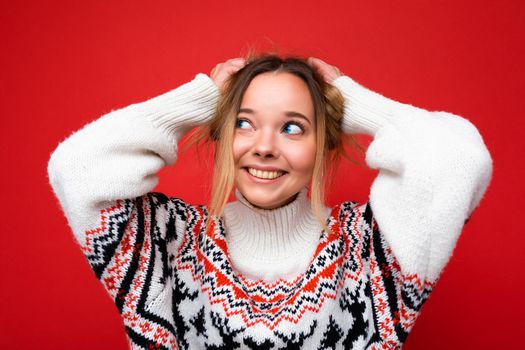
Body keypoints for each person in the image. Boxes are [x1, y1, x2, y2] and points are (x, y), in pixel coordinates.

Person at [47, 54, 493, 349]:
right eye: (244, 123)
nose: (264, 146)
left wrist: (351, 101)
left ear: (325, 144)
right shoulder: (169, 243)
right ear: (221, 136)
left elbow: (459, 161)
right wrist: (199, 99)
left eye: (293, 128)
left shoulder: (371, 251)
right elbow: (78, 167)